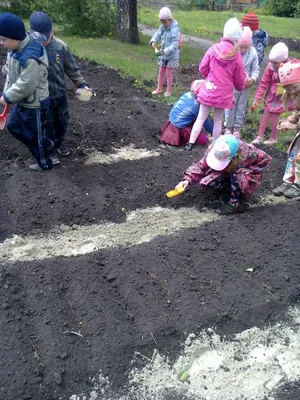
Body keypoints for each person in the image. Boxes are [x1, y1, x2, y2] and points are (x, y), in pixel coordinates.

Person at [29, 11, 91, 162]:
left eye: (44, 38)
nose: (41, 42)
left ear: (50, 31)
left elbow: (72, 69)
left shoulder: (61, 47)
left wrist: (82, 85)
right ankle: (49, 152)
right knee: (47, 125)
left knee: (63, 121)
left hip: (60, 94)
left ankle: (59, 143)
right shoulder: (29, 48)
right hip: (42, 96)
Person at [0, 12, 53, 172]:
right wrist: (5, 72)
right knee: (13, 126)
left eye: (3, 40)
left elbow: (26, 84)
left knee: (33, 135)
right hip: (23, 100)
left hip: (34, 104)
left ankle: (44, 162)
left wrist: (7, 97)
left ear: (15, 38)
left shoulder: (30, 57)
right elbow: (10, 69)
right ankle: (45, 143)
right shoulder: (15, 48)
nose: (1, 43)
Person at [184, 18, 246, 151]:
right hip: (223, 94)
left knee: (200, 117)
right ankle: (215, 146)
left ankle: (190, 143)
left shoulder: (213, 49)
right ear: (237, 37)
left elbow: (202, 67)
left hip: (209, 89)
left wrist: (209, 77)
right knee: (218, 120)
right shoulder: (236, 55)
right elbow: (239, 78)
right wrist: (240, 87)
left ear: (224, 33)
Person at [175, 135, 272, 215]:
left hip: (244, 176)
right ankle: (228, 190)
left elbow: (266, 160)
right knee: (208, 182)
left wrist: (249, 169)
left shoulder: (249, 153)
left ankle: (234, 203)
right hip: (227, 171)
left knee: (237, 174)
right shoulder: (215, 149)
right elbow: (201, 165)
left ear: (234, 156)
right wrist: (187, 180)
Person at [250, 42, 294, 145]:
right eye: (271, 62)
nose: (272, 64)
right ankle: (259, 137)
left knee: (275, 115)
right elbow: (264, 82)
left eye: (275, 63)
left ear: (282, 60)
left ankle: (273, 138)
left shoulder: (290, 68)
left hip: (282, 96)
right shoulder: (271, 66)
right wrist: (257, 99)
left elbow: (293, 85)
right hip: (272, 95)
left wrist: (285, 91)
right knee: (266, 113)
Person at [224, 27, 260, 138]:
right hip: (233, 86)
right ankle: (228, 127)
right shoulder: (233, 52)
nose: (243, 50)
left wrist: (253, 79)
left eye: (246, 47)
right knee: (230, 105)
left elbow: (256, 69)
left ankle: (237, 127)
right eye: (241, 47)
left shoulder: (253, 53)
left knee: (241, 106)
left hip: (245, 87)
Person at [273, 59, 300, 199]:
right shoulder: (297, 94)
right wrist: (290, 119)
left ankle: (298, 184)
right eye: (288, 89)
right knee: (292, 156)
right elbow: (298, 112)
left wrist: (294, 125)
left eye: (293, 87)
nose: (290, 91)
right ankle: (288, 180)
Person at [160, 80, 213, 146]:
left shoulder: (187, 94)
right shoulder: (197, 106)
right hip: (180, 128)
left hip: (171, 121)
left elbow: (175, 104)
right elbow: (205, 122)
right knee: (203, 140)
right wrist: (213, 132)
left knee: (192, 118)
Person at [149, 7, 180, 97]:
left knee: (168, 72)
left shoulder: (175, 29)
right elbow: (158, 34)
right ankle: (159, 89)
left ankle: (168, 91)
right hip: (163, 54)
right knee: (161, 70)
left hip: (171, 55)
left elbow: (175, 45)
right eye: (162, 22)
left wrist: (165, 51)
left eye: (165, 22)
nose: (164, 24)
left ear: (170, 20)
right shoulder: (162, 27)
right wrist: (153, 41)